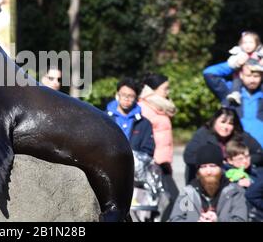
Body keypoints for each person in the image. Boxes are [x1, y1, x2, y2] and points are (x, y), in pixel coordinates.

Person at [169, 144, 248, 222]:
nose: (208, 172)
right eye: (203, 167)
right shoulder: (189, 194)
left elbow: (240, 219)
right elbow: (176, 219)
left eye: (212, 166)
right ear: (198, 170)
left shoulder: (234, 193)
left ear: (221, 168)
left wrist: (218, 220)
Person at [184, 107, 263, 184]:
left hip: (237, 178)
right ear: (214, 121)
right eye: (223, 122)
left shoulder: (241, 136)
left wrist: (242, 160)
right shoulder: (202, 134)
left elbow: (259, 154)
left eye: (230, 124)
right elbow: (188, 157)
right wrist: (216, 162)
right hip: (206, 178)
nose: (226, 127)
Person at [138, 73, 178, 221]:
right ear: (152, 90)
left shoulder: (160, 106)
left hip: (164, 162)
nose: (168, 92)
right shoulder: (144, 107)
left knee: (155, 203)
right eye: (165, 88)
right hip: (153, 163)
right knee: (173, 199)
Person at [203, 58, 263, 147]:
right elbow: (209, 73)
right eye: (248, 75)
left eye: (256, 76)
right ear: (241, 75)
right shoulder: (231, 91)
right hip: (235, 151)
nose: (252, 80)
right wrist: (233, 64)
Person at [106, 78, 155, 158]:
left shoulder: (144, 123)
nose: (126, 98)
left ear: (136, 98)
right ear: (117, 94)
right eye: (123, 94)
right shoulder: (104, 118)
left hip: (135, 167)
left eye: (131, 96)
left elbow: (148, 150)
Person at [226, 31, 263, 105]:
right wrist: (238, 63)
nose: (247, 45)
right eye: (245, 43)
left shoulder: (260, 53)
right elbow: (230, 63)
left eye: (250, 43)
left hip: (258, 76)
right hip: (240, 76)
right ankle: (235, 94)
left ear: (257, 44)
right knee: (236, 82)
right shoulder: (238, 53)